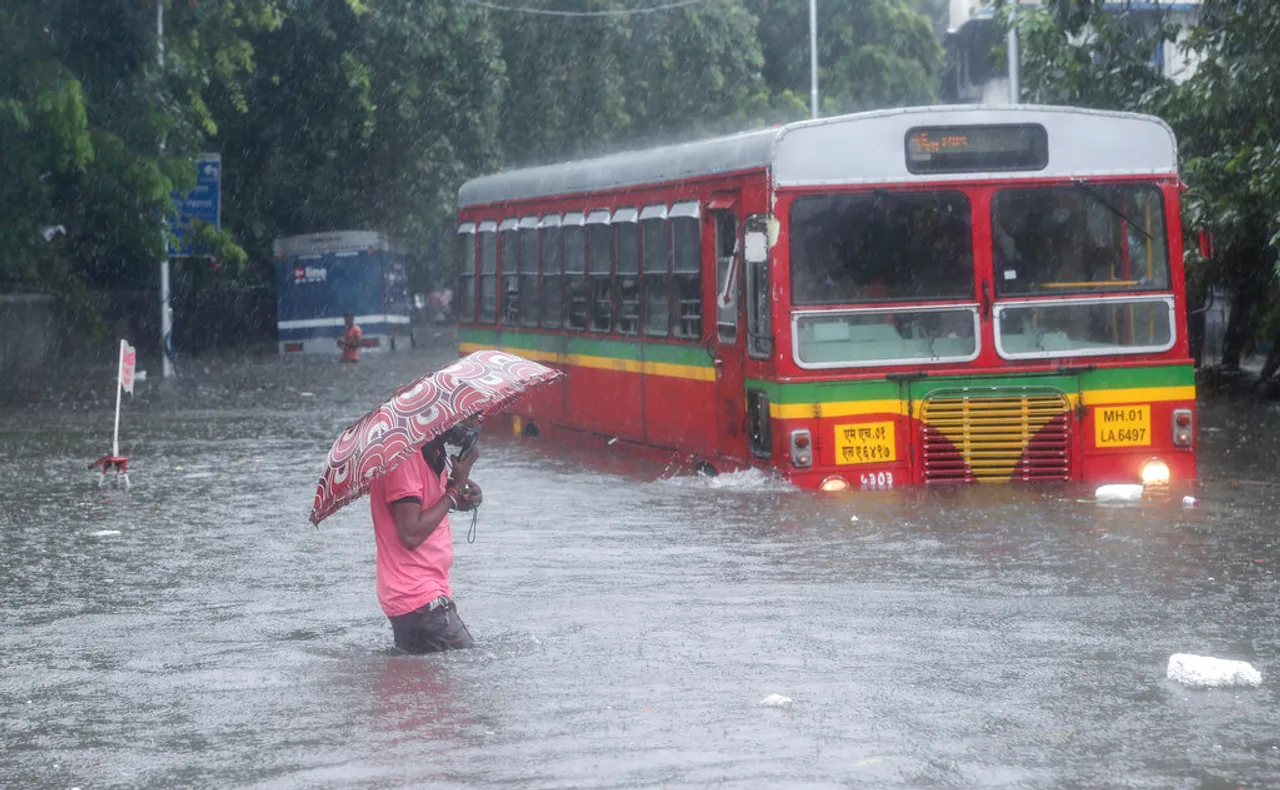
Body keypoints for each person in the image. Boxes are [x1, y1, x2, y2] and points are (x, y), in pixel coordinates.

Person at [368, 426, 484, 654]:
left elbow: (425, 507)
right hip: (416, 596)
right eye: (468, 417)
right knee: (473, 665)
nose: (473, 423)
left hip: (426, 592)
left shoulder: (432, 451)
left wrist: (462, 498)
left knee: (425, 683)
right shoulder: (404, 458)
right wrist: (453, 490)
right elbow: (410, 533)